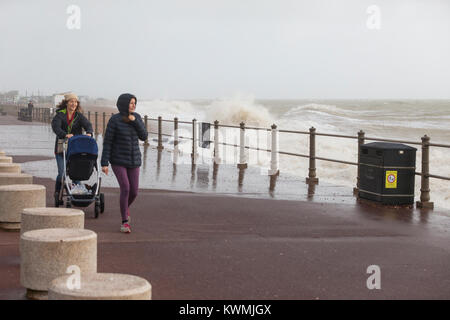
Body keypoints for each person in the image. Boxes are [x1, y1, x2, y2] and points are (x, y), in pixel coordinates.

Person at [101, 93, 148, 233]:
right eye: (131, 102)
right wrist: (104, 163)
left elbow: (144, 136)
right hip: (118, 160)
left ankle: (124, 208)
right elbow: (107, 142)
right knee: (126, 188)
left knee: (134, 191)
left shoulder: (137, 117)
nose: (133, 105)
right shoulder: (114, 120)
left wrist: (135, 121)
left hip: (134, 160)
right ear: (123, 104)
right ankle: (124, 221)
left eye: (135, 103)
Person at [51, 93, 93, 204]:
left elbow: (88, 125)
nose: (74, 104)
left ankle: (77, 196)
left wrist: (89, 132)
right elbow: (56, 127)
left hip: (75, 149)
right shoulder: (60, 115)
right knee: (62, 174)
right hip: (61, 148)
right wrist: (64, 134)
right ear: (66, 103)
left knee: (76, 172)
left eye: (75, 102)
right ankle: (57, 193)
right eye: (71, 101)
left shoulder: (79, 116)